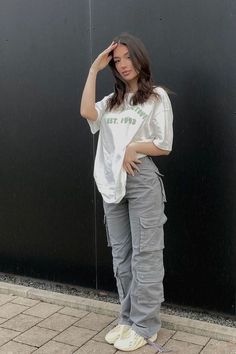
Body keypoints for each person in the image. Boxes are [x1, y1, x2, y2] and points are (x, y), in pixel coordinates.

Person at [80, 32, 173, 352]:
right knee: (122, 256)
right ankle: (127, 318)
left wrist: (133, 147)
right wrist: (94, 70)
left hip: (141, 179)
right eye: (116, 60)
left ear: (139, 57)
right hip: (111, 183)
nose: (122, 65)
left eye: (127, 57)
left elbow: (164, 143)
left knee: (146, 255)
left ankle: (146, 325)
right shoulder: (112, 101)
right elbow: (87, 114)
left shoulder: (156, 96)